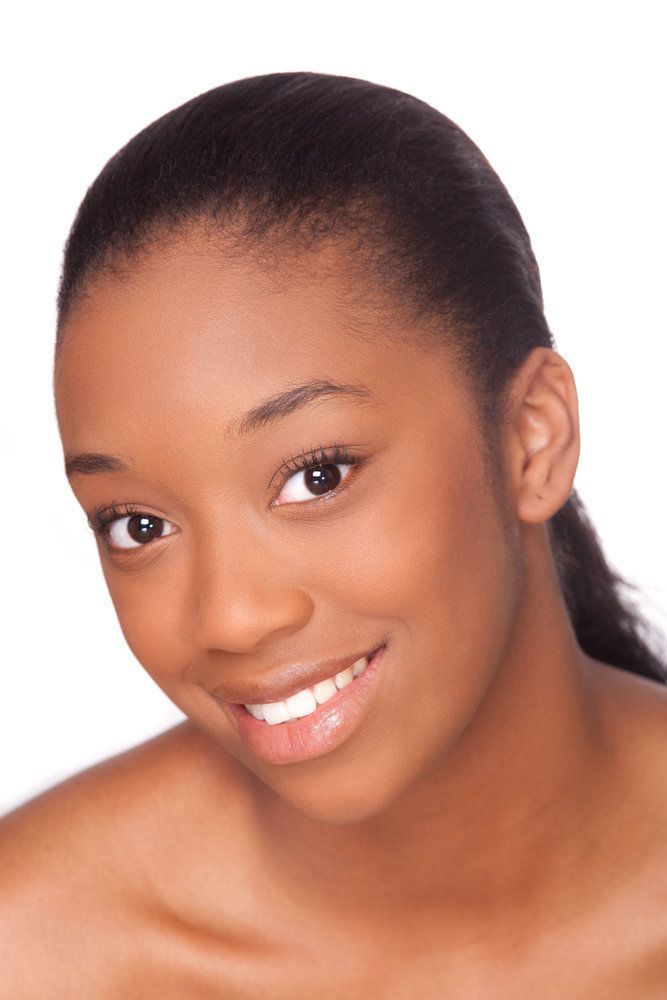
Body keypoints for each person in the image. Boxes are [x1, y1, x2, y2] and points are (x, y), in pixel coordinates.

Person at [2, 70, 666, 997]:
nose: (231, 617)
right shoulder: (36, 949)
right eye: (138, 524)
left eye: (316, 477)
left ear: (530, 437)